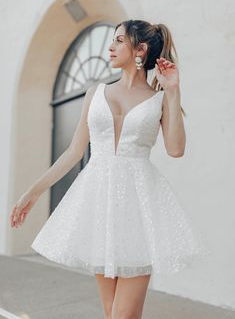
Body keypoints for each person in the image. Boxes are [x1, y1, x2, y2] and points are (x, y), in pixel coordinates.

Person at [10, 19, 210, 319]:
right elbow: (74, 152)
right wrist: (32, 192)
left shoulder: (158, 99)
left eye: (119, 40)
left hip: (139, 208)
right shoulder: (96, 93)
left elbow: (176, 149)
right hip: (99, 208)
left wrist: (173, 90)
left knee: (123, 316)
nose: (110, 46)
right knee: (110, 313)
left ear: (140, 49)